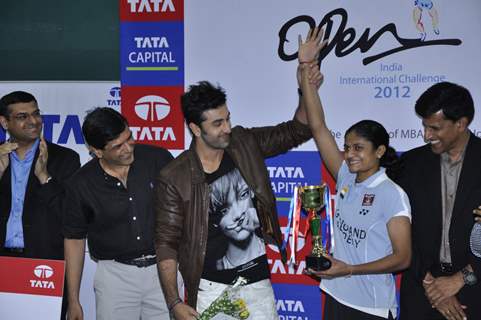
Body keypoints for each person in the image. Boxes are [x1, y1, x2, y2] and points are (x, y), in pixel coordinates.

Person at [153, 40, 322, 319]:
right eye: (217, 124)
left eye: (227, 118)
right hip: (209, 289)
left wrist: (304, 77)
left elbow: (298, 129)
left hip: (257, 283)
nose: (227, 128)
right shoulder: (174, 177)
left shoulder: (244, 143)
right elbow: (166, 244)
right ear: (195, 129)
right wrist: (174, 302)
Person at [299, 28, 412, 320]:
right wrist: (306, 68)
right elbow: (319, 126)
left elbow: (403, 258)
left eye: (359, 148)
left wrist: (349, 270)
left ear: (380, 151)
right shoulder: (347, 177)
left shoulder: (392, 195)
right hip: (336, 295)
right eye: (347, 147)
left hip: (370, 308)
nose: (349, 154)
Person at [63, 107, 173, 320]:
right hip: (115, 277)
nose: (128, 148)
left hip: (164, 270)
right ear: (97, 151)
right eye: (117, 146)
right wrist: (74, 299)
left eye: (129, 138)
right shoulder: (81, 183)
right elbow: (74, 240)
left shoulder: (158, 159)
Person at [398, 82, 481, 320]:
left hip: (475, 293)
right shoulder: (410, 164)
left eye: (435, 128)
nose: (426, 135)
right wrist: (431, 284)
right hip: (420, 290)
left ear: (461, 124)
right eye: (424, 127)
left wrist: (461, 278)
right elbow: (399, 228)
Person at [0, 91, 80, 320]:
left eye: (36, 114)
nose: (33, 121)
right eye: (22, 116)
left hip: (44, 266)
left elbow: (72, 218)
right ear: (5, 122)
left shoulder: (65, 159)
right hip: (2, 263)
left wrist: (45, 178)